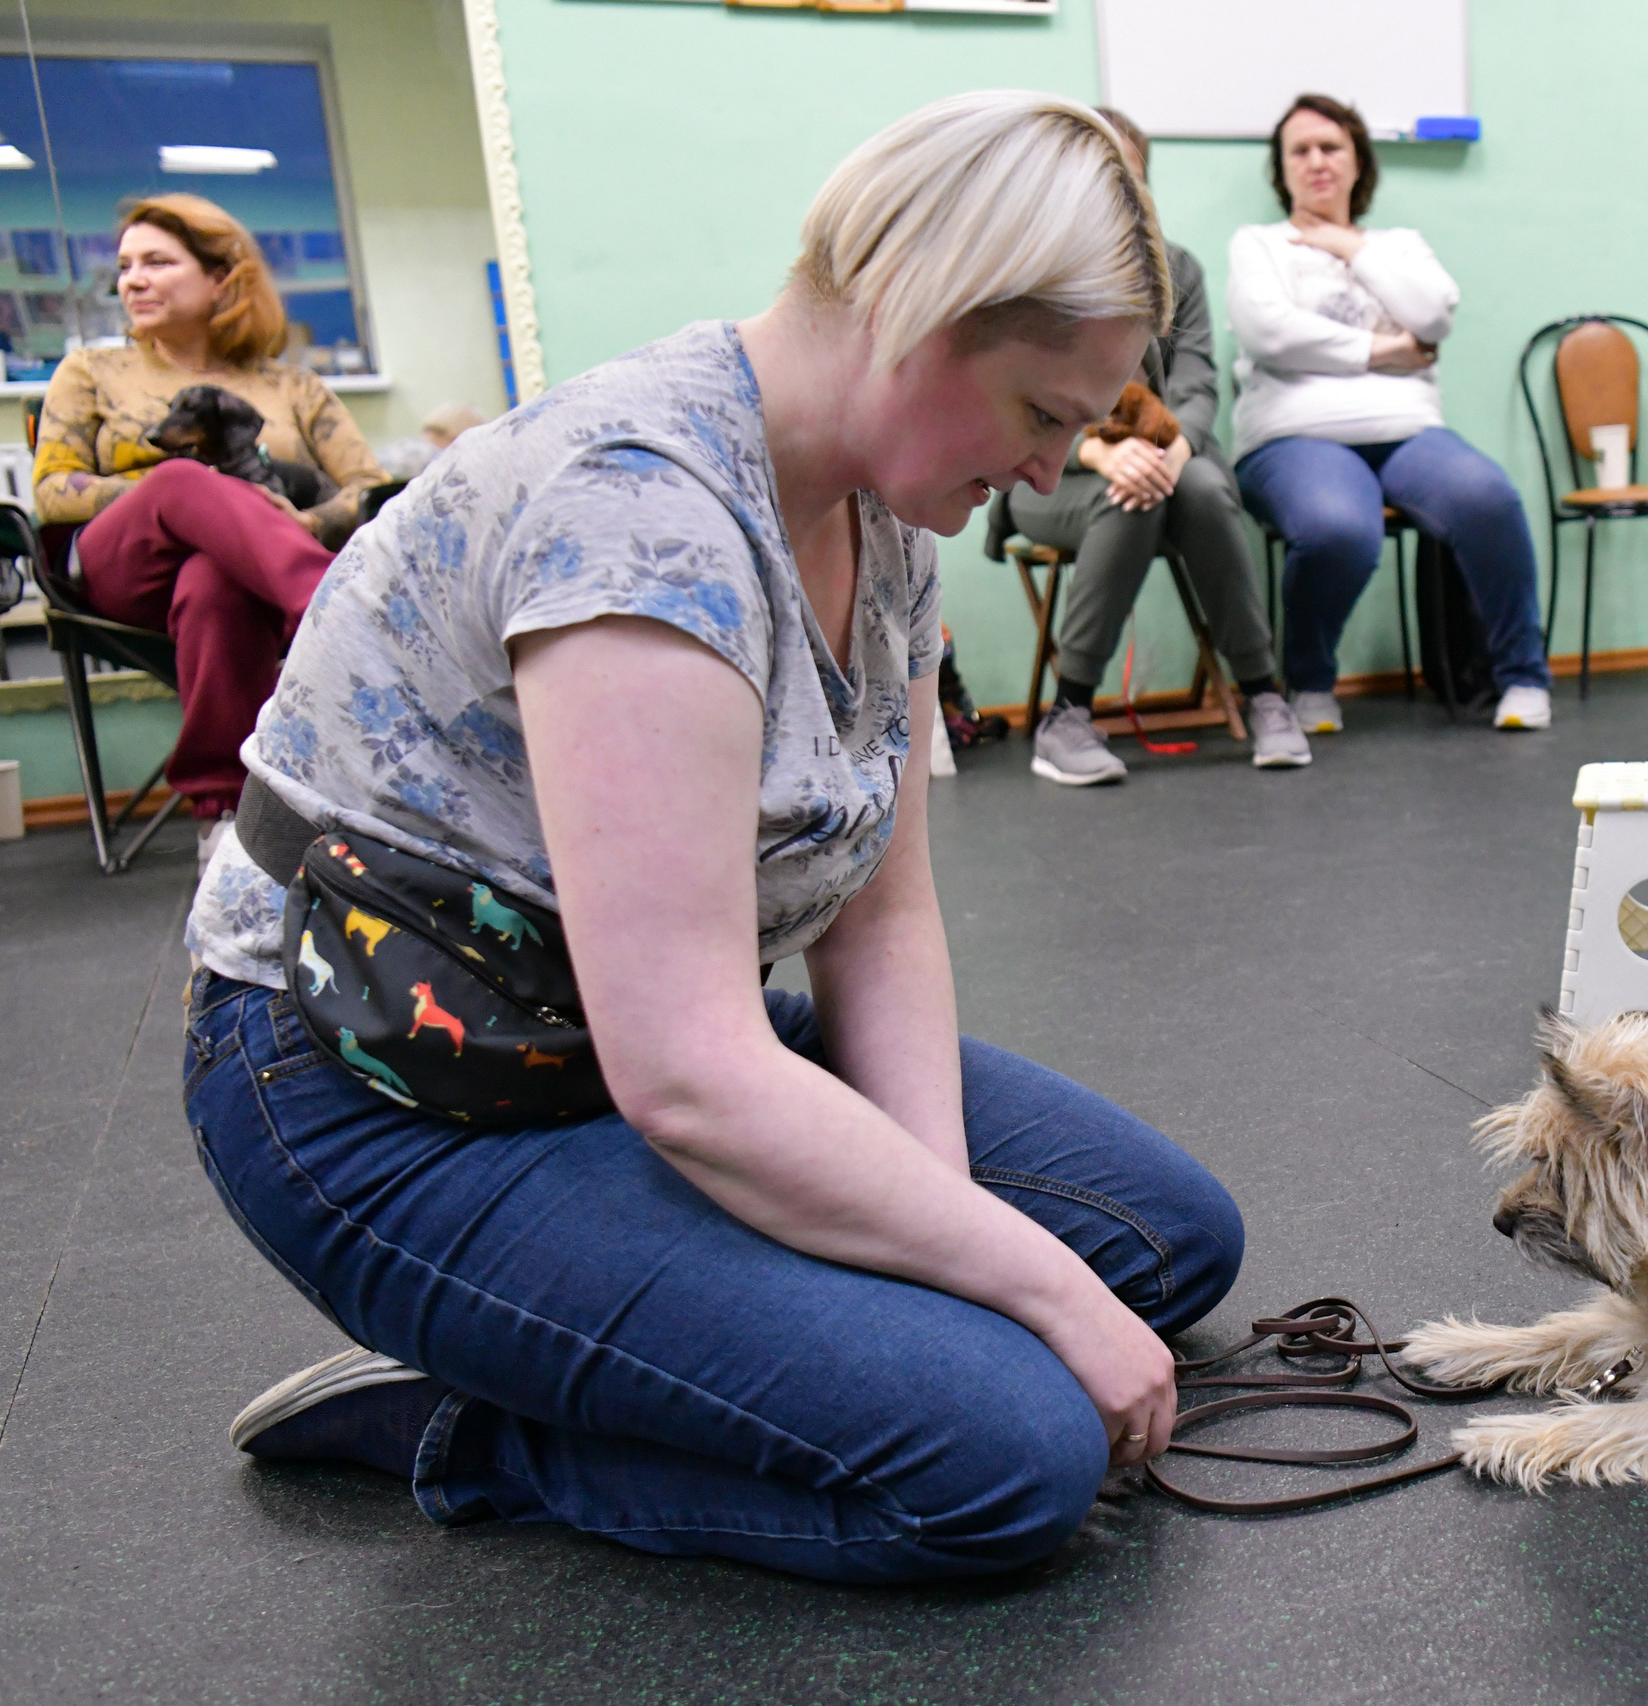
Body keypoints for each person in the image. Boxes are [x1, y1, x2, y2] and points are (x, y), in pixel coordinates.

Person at [181, 92, 1242, 1585]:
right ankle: (464, 1427)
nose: (1057, 469)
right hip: (381, 1084)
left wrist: (948, 1246)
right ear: (915, 317)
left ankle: (652, 1340)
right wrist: (1011, 1296)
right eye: (1044, 414)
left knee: (1166, 1237)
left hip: (614, 1037)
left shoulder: (885, 520)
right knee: (1008, 1462)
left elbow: (883, 916)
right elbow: (683, 1068)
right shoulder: (645, 520)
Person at [33, 194, 385, 860]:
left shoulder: (294, 388)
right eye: (126, 265)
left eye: (158, 262)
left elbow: (369, 490)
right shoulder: (90, 372)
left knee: (216, 578)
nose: (132, 279)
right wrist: (189, 498)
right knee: (184, 480)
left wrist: (299, 518)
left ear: (223, 276)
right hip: (121, 566)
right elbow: (53, 491)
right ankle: (344, 618)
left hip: (241, 574)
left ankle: (224, 817)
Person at [988, 107, 1307, 783]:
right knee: (1126, 496)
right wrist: (1101, 453)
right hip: (1050, 477)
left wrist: (1174, 450)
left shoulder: (1178, 270)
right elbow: (1011, 409)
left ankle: (1266, 698)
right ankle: (1067, 716)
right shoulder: (1028, 275)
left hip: (1163, 462)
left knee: (1200, 486)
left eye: (1124, 177)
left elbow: (1196, 384)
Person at [1227, 94, 1554, 733]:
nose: (1317, 161)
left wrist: (1352, 248)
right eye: (1300, 150)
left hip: (1407, 431)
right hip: (1293, 436)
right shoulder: (1259, 244)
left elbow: (1433, 315)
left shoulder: (1399, 246)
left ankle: (1522, 677)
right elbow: (1270, 334)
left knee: (1490, 499)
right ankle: (1312, 682)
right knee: (1338, 529)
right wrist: (1385, 350)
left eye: (1332, 147)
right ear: (1282, 169)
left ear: (1357, 163)